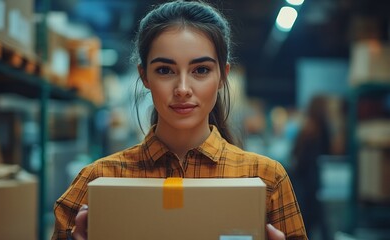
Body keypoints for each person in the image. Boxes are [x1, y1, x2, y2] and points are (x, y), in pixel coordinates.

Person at [52, 1, 307, 239]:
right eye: (165, 70)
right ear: (144, 76)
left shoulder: (267, 180)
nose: (183, 88)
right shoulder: (97, 182)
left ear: (222, 77)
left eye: (201, 70)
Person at [291, 95, 331, 239]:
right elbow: (328, 148)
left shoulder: (305, 128)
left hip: (301, 179)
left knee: (307, 217)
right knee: (317, 217)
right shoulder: (321, 128)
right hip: (312, 178)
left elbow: (294, 153)